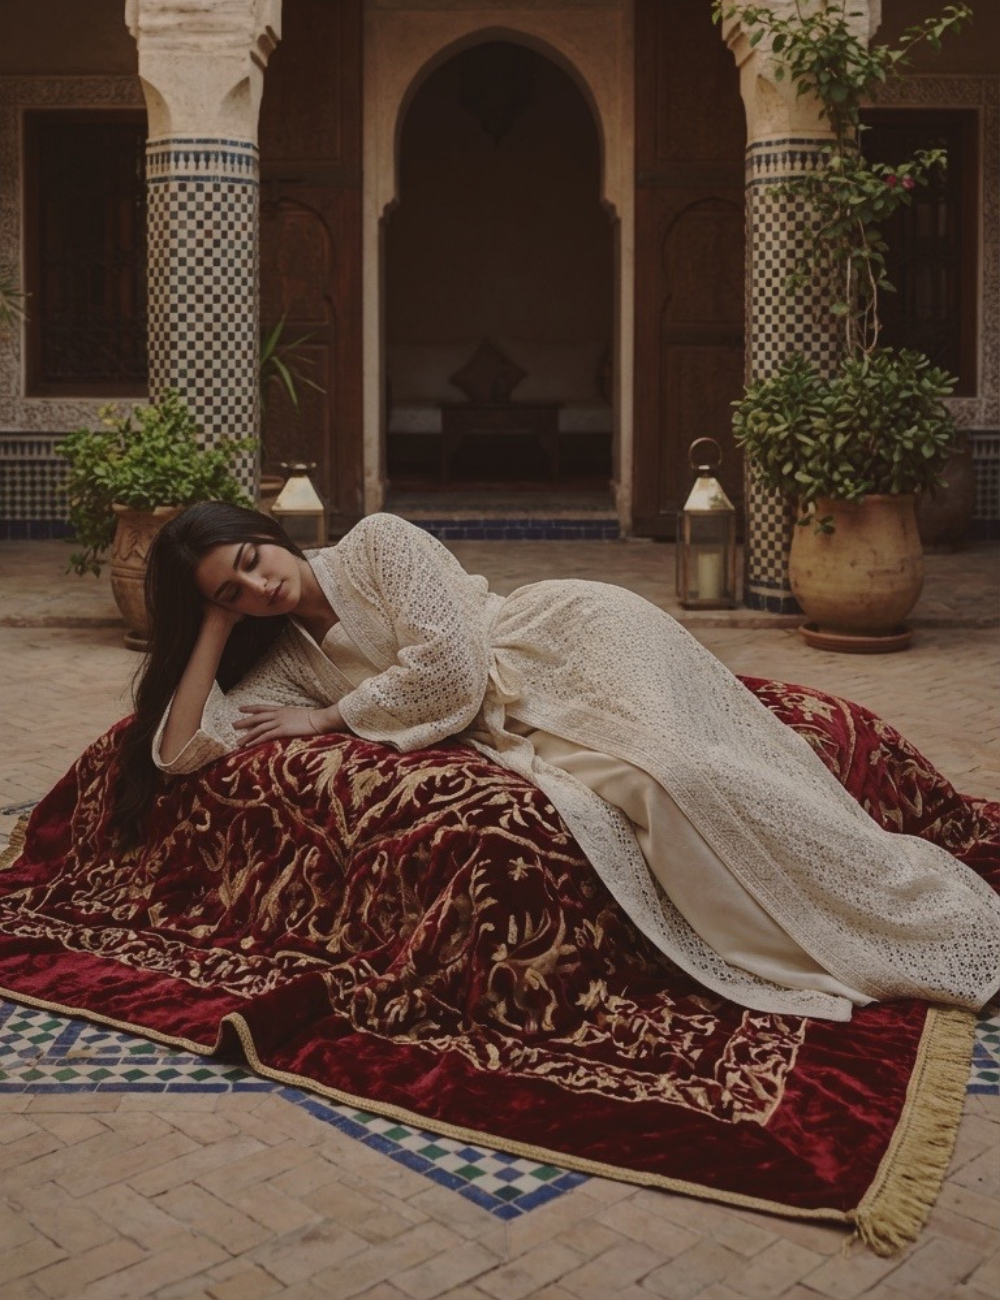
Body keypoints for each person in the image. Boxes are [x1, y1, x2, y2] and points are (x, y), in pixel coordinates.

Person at [113, 502, 1000, 1023]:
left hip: (569, 642)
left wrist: (329, 716)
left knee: (690, 770)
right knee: (655, 789)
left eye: (252, 562)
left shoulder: (378, 543)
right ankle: (806, 944)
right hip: (515, 719)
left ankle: (904, 912)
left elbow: (451, 666)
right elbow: (185, 749)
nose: (262, 586)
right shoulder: (273, 648)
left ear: (268, 532)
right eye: (233, 591)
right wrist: (214, 629)